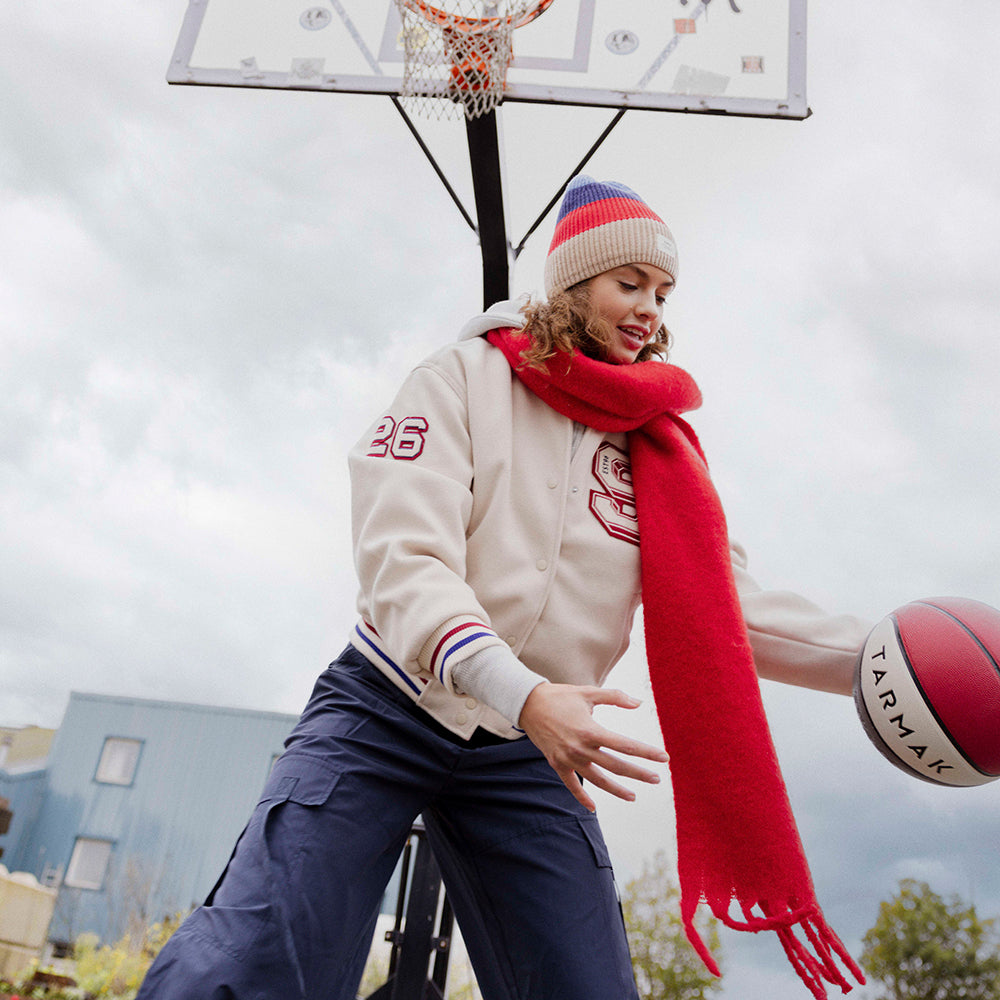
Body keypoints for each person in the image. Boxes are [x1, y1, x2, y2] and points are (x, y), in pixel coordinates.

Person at [137, 176, 867, 1000]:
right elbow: (404, 563)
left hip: (525, 754)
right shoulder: (461, 380)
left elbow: (730, 615)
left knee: (585, 988)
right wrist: (524, 695)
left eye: (662, 293)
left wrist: (882, 664)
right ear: (572, 284)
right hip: (388, 707)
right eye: (628, 284)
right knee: (253, 965)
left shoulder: (658, 452)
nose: (649, 310)